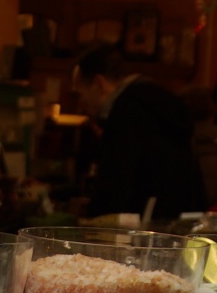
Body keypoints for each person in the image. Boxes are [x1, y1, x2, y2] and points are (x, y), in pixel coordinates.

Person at [71, 45, 206, 221]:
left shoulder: (125, 113)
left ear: (99, 84)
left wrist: (91, 222)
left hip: (143, 229)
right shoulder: (162, 104)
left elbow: (114, 189)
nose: (80, 106)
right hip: (181, 222)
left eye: (80, 94)